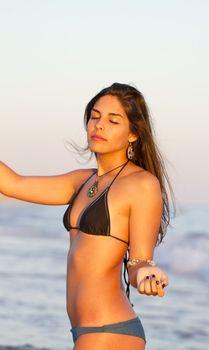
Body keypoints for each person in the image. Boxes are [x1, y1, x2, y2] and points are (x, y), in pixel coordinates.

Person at [0, 82, 174, 350]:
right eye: (95, 116)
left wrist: (147, 275)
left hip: (110, 330)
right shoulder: (81, 181)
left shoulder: (141, 184)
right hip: (83, 330)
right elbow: (13, 184)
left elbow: (139, 262)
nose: (99, 125)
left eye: (113, 120)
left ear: (133, 134)